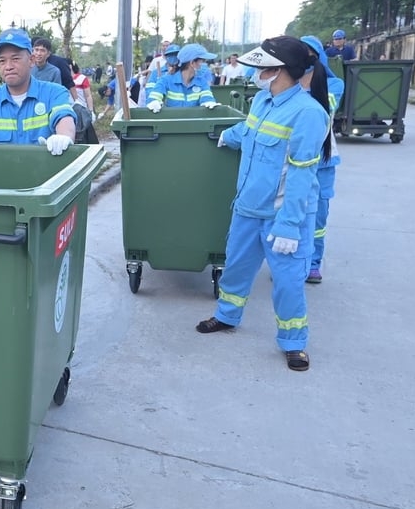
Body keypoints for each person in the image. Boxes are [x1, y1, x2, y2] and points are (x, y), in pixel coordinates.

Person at [196, 36, 330, 372]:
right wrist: (231, 135)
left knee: (287, 283)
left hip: (283, 216)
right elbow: (252, 130)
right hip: (248, 208)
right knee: (237, 269)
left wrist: (289, 225)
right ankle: (227, 316)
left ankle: (294, 342)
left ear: (280, 71)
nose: (258, 72)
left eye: (264, 67)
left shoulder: (308, 113)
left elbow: (302, 173)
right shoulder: (261, 101)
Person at [300, 35, 344, 285]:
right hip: (294, 159)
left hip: (323, 162)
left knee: (317, 217)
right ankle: (295, 262)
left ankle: (313, 263)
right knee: (292, 212)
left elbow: (318, 110)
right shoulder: (289, 84)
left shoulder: (334, 85)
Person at [146, 43, 218, 111]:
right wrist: (154, 102)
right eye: (202, 61)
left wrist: (208, 103)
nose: (204, 65)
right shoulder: (166, 80)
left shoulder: (202, 82)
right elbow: (153, 97)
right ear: (192, 63)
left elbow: (207, 98)